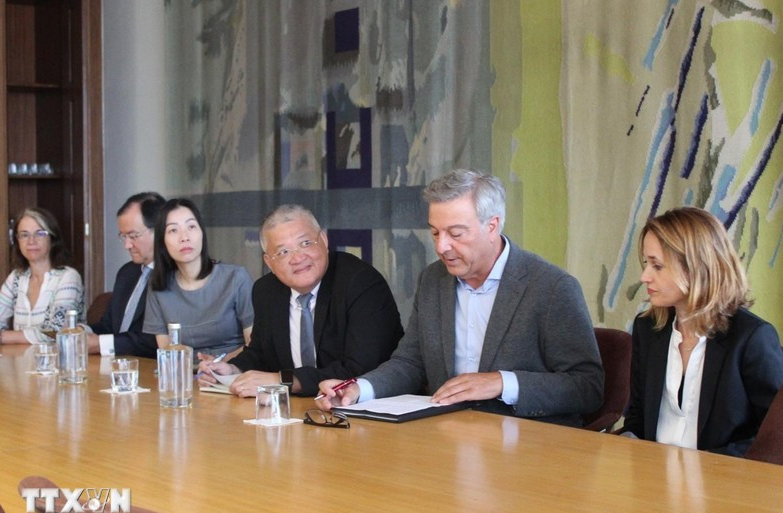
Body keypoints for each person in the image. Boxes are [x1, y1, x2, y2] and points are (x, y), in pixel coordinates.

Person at [315, 170, 603, 426]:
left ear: (492, 226)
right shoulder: (433, 280)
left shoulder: (551, 287)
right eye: (435, 232)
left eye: (456, 233)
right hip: (446, 438)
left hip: (529, 446)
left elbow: (587, 387)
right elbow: (411, 363)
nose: (442, 247)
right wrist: (358, 389)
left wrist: (503, 382)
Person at [622, 207, 783, 456]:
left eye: (657, 266)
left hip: (723, 483)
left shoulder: (752, 338)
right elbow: (637, 417)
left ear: (695, 267)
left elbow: (774, 438)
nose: (645, 276)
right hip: (651, 477)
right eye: (646, 263)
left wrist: (711, 466)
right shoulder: (648, 329)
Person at [197, 205, 404, 397]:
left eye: (305, 243)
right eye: (283, 252)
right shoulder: (266, 290)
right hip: (299, 411)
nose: (297, 258)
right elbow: (261, 351)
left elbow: (362, 368)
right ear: (269, 261)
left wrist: (284, 381)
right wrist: (233, 369)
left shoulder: (360, 282)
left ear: (324, 240)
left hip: (366, 411)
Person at [143, 198, 253, 360]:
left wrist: (220, 364)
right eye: (173, 230)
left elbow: (254, 345)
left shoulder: (236, 278)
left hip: (234, 372)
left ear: (202, 233)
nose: (184, 237)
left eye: (191, 226)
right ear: (162, 242)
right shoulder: (158, 286)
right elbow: (167, 353)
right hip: (184, 376)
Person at [0, 208, 84, 345]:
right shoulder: (16, 277)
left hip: (59, 362)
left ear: (52, 238)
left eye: (39, 234)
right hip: (20, 360)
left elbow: (56, 332)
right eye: (24, 235)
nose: (31, 241)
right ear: (17, 240)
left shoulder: (68, 277)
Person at [86, 192, 165, 357]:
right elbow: (108, 328)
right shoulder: (127, 273)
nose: (127, 245)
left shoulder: (175, 276)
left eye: (133, 236)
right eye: (123, 236)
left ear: (159, 230)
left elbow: (154, 340)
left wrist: (99, 344)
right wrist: (82, 332)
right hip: (116, 370)